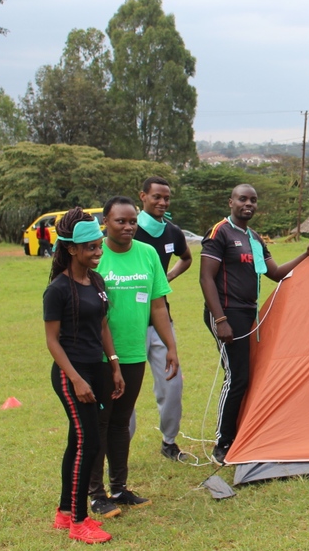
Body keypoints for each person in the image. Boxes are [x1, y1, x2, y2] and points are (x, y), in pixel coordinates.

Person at [200, 184, 309, 464]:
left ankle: (240, 432)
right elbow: (206, 278)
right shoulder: (220, 231)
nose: (248, 204)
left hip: (248, 315)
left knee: (246, 376)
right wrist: (220, 319)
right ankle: (223, 443)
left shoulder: (253, 237)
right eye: (243, 199)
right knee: (237, 377)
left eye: (253, 200)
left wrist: (307, 254)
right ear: (230, 201)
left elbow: (276, 273)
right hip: (225, 314)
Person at [89, 196, 179, 519]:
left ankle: (119, 488)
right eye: (120, 221)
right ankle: (96, 495)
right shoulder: (96, 256)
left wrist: (171, 346)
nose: (128, 227)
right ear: (106, 223)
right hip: (98, 359)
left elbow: (157, 306)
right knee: (99, 425)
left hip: (133, 354)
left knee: (120, 423)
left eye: (132, 222)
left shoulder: (148, 254)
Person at [44, 208, 122, 544]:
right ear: (72, 249)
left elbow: (102, 324)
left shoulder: (96, 281)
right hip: (70, 373)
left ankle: (64, 513)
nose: (97, 252)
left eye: (99, 245)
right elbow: (52, 341)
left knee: (78, 441)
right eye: (90, 247)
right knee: (89, 442)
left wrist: (115, 365)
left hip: (96, 368)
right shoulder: (58, 289)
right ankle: (79, 521)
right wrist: (75, 378)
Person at [131, 176, 192, 462]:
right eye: (156, 197)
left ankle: (169, 441)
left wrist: (167, 278)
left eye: (166, 198)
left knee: (172, 383)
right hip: (129, 324)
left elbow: (187, 257)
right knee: (125, 389)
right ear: (142, 196)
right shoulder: (128, 230)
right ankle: (118, 444)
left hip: (160, 319)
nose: (162, 202)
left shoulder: (172, 232)